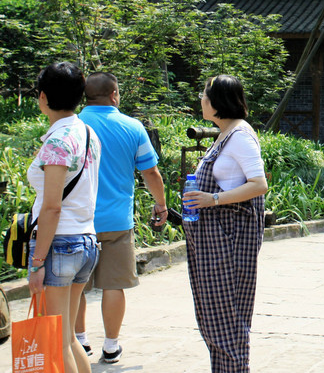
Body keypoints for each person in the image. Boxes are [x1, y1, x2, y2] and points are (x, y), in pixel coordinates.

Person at [74, 72, 168, 363]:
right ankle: (111, 345)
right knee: (113, 285)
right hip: (117, 222)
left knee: (76, 285)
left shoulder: (72, 126)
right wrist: (161, 205)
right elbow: (150, 172)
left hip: (77, 222)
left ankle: (80, 342)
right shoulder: (132, 127)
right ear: (114, 94)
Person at [183, 75, 268, 372]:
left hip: (228, 245)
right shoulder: (225, 133)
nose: (201, 100)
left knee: (227, 319)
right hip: (212, 243)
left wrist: (212, 200)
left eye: (205, 96)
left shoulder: (241, 135)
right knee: (214, 318)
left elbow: (259, 184)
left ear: (218, 101)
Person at [27, 62, 101, 373]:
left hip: (60, 244)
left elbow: (52, 207)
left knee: (56, 339)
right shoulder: (86, 132)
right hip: (85, 240)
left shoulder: (57, 141)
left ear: (43, 97)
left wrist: (37, 261)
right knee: (68, 337)